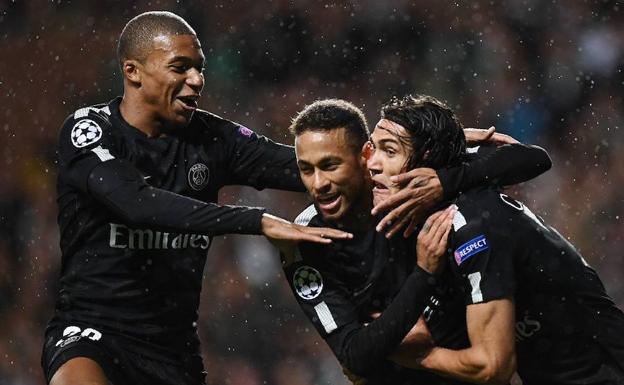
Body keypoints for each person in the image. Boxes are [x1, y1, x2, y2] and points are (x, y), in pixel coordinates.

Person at [40, 11, 352, 385]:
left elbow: (307, 166)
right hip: (92, 333)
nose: (196, 80)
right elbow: (138, 204)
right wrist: (256, 220)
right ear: (133, 71)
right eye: (180, 67)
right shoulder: (89, 130)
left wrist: (417, 174)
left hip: (173, 351)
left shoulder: (212, 139)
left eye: (200, 68)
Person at [281, 98, 552, 384]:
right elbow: (354, 356)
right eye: (306, 169)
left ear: (365, 155)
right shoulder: (307, 238)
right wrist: (422, 278)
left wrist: (447, 178)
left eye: (330, 165)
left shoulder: (400, 177)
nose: (318, 183)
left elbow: (531, 159)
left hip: (463, 364)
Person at [367, 94, 624, 384]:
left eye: (389, 151)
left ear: (426, 159)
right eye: (372, 148)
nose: (372, 164)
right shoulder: (450, 194)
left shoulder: (471, 227)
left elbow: (493, 366)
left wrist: (417, 355)